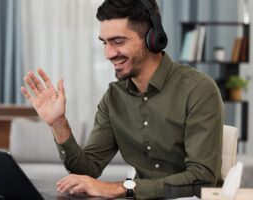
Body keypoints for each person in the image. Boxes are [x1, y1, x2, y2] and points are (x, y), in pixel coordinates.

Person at [21, 0, 223, 199]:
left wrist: (120, 188)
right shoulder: (113, 98)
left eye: (118, 42)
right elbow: (88, 170)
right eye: (104, 42)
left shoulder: (198, 89)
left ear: (153, 38)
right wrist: (59, 124)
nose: (108, 53)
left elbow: (202, 179)